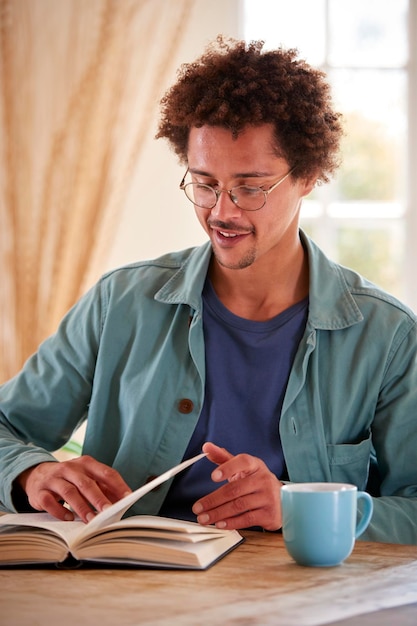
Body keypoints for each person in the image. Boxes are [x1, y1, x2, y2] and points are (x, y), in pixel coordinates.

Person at [1, 36, 416, 544]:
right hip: (125, 592)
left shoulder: (387, 334)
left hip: (299, 603)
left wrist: (298, 506)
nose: (222, 211)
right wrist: (30, 473)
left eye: (249, 186)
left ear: (307, 175)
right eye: (204, 183)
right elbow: (7, 428)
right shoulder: (120, 302)